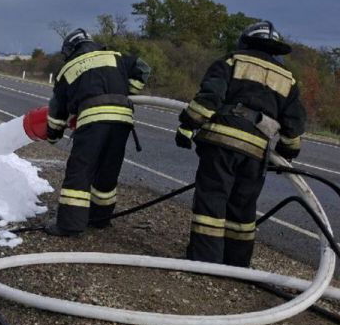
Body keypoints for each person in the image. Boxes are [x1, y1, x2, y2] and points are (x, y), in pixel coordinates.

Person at [175, 20, 305, 266]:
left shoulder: (231, 61)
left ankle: (204, 261)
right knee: (243, 209)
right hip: (256, 151)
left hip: (221, 142)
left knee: (212, 200)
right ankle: (237, 264)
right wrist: (287, 151)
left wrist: (187, 126)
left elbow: (210, 97)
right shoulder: (288, 79)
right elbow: (294, 123)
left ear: (245, 41)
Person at [45, 29, 152, 235]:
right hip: (122, 120)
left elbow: (57, 110)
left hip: (93, 122)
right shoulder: (115, 56)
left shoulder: (68, 69)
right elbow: (143, 68)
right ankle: (100, 218)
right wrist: (125, 89)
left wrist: (53, 134)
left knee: (80, 171)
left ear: (70, 50)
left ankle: (69, 225)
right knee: (107, 171)